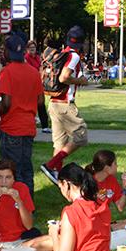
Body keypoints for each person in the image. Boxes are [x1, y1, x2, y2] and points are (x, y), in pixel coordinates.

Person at [0, 33, 43, 194]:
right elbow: (40, 101)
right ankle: (29, 204)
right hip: (28, 126)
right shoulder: (34, 72)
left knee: (11, 170)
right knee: (26, 167)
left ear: (7, 52)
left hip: (11, 127)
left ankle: (15, 205)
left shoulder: (7, 71)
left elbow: (6, 102)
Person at [40, 26, 89, 184]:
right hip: (65, 104)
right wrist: (80, 81)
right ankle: (51, 165)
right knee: (81, 136)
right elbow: (63, 78)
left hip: (53, 102)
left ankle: (56, 174)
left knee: (60, 142)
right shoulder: (73, 56)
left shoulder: (62, 54)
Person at [85, 149, 126, 231]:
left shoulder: (111, 180)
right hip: (90, 224)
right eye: (115, 164)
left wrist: (125, 188)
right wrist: (94, 198)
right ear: (107, 168)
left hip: (105, 223)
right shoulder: (88, 181)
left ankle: (110, 231)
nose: (117, 166)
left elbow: (120, 207)